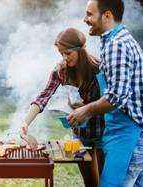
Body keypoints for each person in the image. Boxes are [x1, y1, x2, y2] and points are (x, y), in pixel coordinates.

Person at [68, 0, 143, 187]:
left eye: (89, 14)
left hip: (130, 136)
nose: (85, 19)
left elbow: (117, 97)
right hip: (129, 133)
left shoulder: (116, 46)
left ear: (107, 16)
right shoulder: (113, 41)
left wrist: (86, 110)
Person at [19, 27, 105, 187]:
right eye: (61, 53)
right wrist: (26, 122)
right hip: (79, 136)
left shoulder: (99, 68)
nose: (64, 58)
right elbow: (44, 96)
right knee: (91, 183)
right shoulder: (61, 71)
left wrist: (86, 108)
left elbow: (109, 101)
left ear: (82, 49)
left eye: (68, 53)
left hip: (103, 132)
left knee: (106, 182)